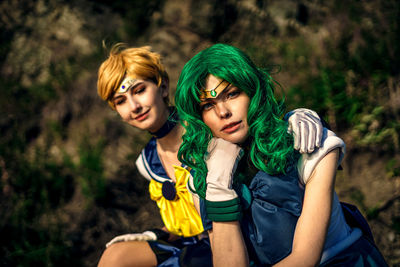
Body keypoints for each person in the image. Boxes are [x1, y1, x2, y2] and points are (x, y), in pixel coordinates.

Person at [95, 44, 324, 267]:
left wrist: (295, 117)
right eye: (120, 101)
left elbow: (258, 130)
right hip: (196, 242)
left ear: (163, 87)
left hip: (241, 235)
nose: (134, 106)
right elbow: (186, 220)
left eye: (139, 90)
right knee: (115, 256)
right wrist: (155, 234)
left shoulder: (210, 128)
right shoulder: (147, 162)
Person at [175, 43, 388, 266]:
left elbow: (305, 258)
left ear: (253, 91)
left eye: (232, 94)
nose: (223, 112)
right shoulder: (201, 177)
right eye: (208, 105)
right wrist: (218, 186)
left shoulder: (307, 142)